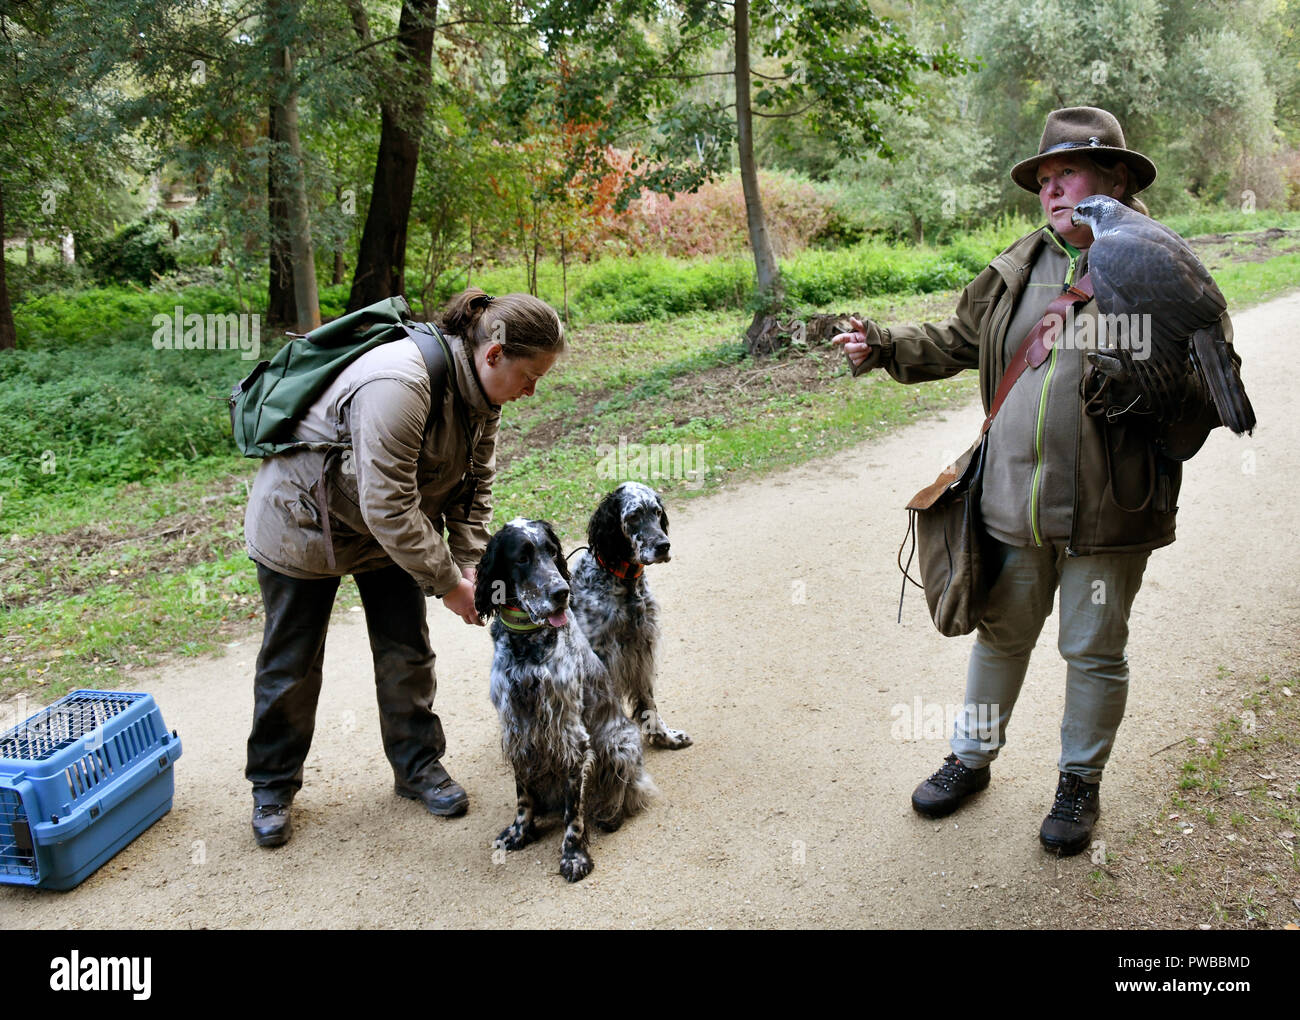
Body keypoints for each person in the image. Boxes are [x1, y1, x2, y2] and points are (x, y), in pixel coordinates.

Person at [834, 107, 1234, 855]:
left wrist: (1153, 390)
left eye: (1069, 174)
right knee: (999, 635)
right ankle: (971, 759)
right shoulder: (1019, 266)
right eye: (1044, 179)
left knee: (1092, 648)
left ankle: (1079, 784)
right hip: (1012, 497)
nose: (1053, 191)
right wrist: (883, 346)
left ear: (1114, 179)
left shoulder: (1159, 259)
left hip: (1112, 505)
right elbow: (957, 340)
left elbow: (1210, 376)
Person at [242, 288, 564, 847]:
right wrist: (446, 585)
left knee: (406, 648)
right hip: (302, 523)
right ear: (493, 355)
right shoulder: (400, 384)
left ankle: (417, 767)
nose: (532, 391)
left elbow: (472, 494)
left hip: (386, 532)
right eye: (530, 376)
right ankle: (272, 784)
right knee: (291, 661)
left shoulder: (484, 400)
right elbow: (386, 503)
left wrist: (471, 571)